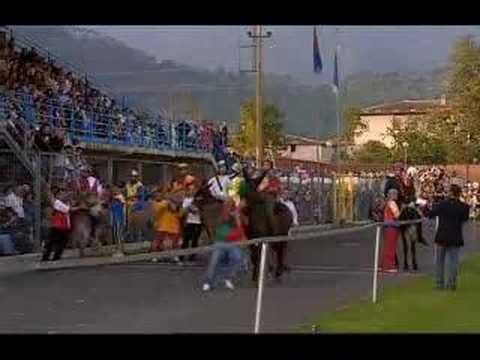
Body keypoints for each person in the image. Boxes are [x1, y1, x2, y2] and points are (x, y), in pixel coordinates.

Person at [428, 184, 470, 291]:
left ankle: (439, 284)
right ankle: (451, 284)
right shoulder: (464, 207)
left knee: (439, 262)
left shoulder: (442, 204)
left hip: (442, 236)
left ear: (451, 193)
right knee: (453, 263)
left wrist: (427, 207)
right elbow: (464, 220)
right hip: (455, 236)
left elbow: (431, 214)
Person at [202, 198, 246, 292]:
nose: (229, 206)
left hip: (233, 243)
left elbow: (240, 227)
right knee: (214, 262)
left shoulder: (237, 214)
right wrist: (236, 211)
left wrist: (237, 215)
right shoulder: (222, 214)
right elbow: (225, 218)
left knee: (237, 258)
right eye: (227, 205)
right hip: (220, 242)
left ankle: (227, 277)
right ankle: (208, 282)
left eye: (231, 205)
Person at [150, 188, 183, 263]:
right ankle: (155, 256)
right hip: (162, 226)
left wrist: (177, 205)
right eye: (157, 194)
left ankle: (174, 256)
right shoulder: (158, 203)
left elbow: (180, 214)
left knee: (175, 243)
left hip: (174, 226)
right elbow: (157, 209)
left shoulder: (177, 205)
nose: (158, 196)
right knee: (158, 242)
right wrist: (169, 202)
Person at [41, 187, 75, 262]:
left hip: (65, 227)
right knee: (51, 242)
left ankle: (56, 257)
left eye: (63, 194)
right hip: (57, 226)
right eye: (61, 194)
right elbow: (68, 209)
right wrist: (79, 207)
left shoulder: (67, 202)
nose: (63, 195)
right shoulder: (57, 202)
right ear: (57, 196)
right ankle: (45, 257)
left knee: (62, 244)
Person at [180, 185, 202, 263]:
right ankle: (181, 257)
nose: (191, 191)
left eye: (193, 190)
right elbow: (183, 211)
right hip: (189, 222)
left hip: (197, 222)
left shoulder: (198, 199)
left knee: (195, 240)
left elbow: (199, 210)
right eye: (189, 190)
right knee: (186, 240)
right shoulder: (186, 200)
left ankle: (192, 257)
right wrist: (189, 207)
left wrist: (193, 207)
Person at [381, 189, 401, 274]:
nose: (397, 195)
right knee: (391, 247)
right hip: (392, 227)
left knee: (387, 247)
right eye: (395, 194)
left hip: (387, 226)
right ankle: (389, 266)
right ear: (392, 195)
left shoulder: (387, 203)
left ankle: (384, 265)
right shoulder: (392, 203)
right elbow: (397, 215)